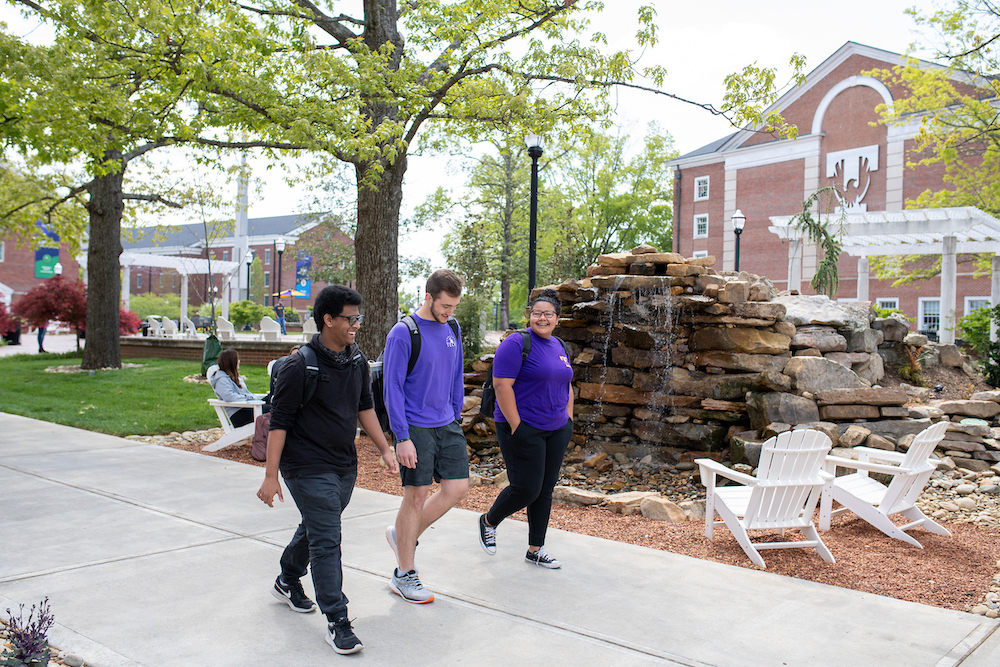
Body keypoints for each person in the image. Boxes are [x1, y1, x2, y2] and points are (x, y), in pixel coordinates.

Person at [257, 285, 398, 655]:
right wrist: (271, 475)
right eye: (351, 319)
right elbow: (279, 423)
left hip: (342, 465)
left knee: (317, 527)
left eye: (358, 318)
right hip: (305, 465)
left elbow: (364, 406)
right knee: (327, 540)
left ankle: (287, 579)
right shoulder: (299, 365)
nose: (356, 325)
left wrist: (385, 448)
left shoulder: (355, 359)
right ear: (328, 319)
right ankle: (337, 620)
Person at [383, 269, 468, 604]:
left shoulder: (453, 327)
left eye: (454, 307)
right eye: (445, 306)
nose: (449, 313)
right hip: (414, 426)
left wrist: (456, 409)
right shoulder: (403, 333)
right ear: (428, 297)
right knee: (416, 496)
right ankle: (404, 573)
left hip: (446, 423)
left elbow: (456, 371)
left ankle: (401, 535)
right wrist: (401, 436)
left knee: (457, 489)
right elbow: (392, 389)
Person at [478, 289, 573, 569]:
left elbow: (566, 383)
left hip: (556, 428)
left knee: (545, 489)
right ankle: (488, 521)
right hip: (521, 426)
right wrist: (517, 426)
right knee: (526, 488)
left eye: (548, 314)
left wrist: (568, 420)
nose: (542, 318)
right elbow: (501, 385)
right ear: (529, 315)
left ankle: (536, 549)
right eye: (537, 313)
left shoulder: (560, 346)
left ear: (557, 318)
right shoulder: (516, 343)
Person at [209, 349, 258, 428]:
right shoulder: (221, 380)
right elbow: (229, 397)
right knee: (274, 410)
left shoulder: (234, 376)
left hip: (248, 408)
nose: (239, 361)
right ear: (231, 362)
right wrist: (249, 397)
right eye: (237, 359)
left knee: (274, 401)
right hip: (239, 415)